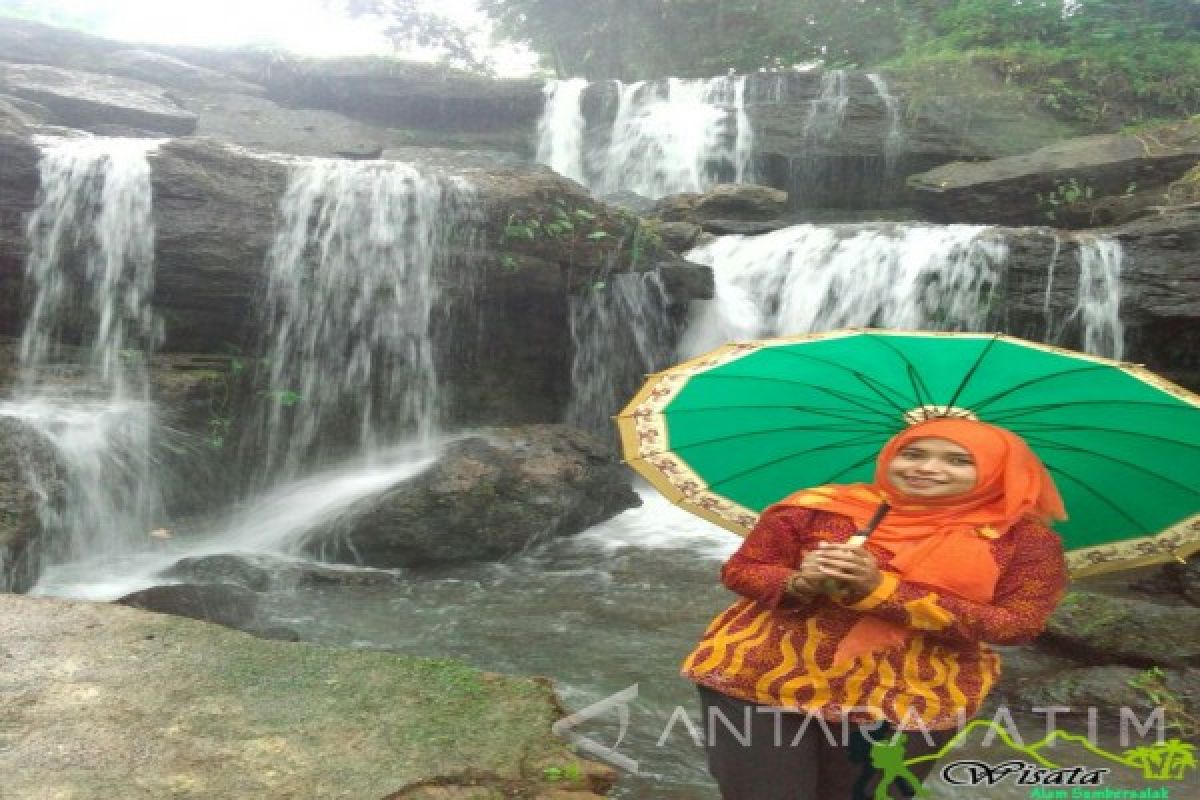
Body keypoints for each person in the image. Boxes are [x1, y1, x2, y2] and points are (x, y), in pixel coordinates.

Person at [681, 417, 1070, 800]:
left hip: (910, 698)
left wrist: (881, 590)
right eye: (912, 454)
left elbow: (1016, 624)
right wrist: (799, 582)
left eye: (958, 460)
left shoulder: (1026, 542)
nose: (926, 468)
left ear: (996, 471)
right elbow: (742, 570)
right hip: (763, 677)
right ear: (889, 457)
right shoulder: (820, 509)